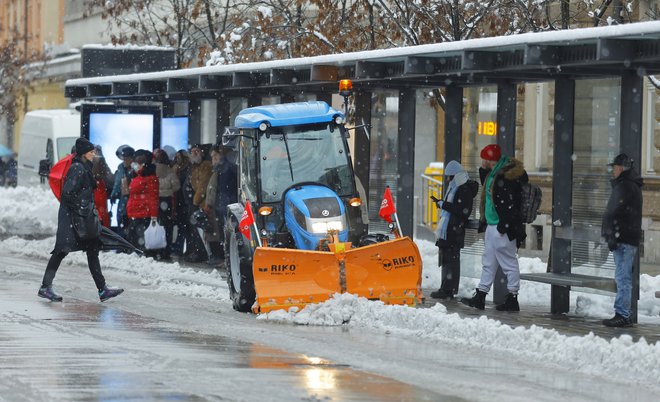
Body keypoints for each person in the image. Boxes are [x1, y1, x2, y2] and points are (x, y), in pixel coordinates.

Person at [38, 138, 124, 302]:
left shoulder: (84, 167)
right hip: (72, 218)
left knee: (92, 250)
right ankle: (45, 287)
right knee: (61, 250)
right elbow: (67, 194)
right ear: (84, 153)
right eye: (91, 152)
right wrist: (82, 207)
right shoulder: (77, 168)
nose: (94, 154)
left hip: (82, 218)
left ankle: (102, 289)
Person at [461, 144, 527, 311]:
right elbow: (489, 188)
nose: (482, 160)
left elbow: (509, 202)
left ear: (490, 159)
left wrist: (504, 226)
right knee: (489, 262)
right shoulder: (495, 172)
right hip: (493, 225)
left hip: (501, 227)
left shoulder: (506, 175)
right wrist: (484, 170)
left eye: (484, 158)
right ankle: (481, 295)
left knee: (509, 262)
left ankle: (513, 298)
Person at [601, 153, 643, 327]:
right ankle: (624, 313)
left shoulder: (625, 186)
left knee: (623, 277)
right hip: (625, 238)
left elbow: (614, 212)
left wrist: (612, 234)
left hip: (624, 239)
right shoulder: (629, 185)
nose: (612, 171)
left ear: (621, 168)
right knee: (623, 276)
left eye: (614, 168)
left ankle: (622, 314)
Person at [430, 160, 478, 300]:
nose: (449, 180)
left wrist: (443, 204)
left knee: (451, 261)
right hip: (451, 230)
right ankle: (446, 288)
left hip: (454, 230)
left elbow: (462, 211)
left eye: (450, 176)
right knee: (448, 260)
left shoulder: (463, 189)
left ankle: (448, 290)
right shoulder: (457, 187)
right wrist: (442, 204)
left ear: (456, 176)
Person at [205, 146, 238, 266]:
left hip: (226, 205)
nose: (213, 159)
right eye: (212, 157)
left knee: (225, 232)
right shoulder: (222, 168)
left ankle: (226, 258)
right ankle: (225, 257)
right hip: (222, 205)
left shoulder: (226, 168)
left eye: (215, 156)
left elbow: (226, 190)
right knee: (221, 232)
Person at [126, 149, 159, 256]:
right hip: (135, 212)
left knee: (140, 240)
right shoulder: (137, 176)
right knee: (135, 239)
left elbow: (153, 197)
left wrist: (154, 216)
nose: (136, 164)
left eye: (139, 162)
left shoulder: (150, 178)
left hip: (143, 213)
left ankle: (143, 255)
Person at [185, 145, 212, 263]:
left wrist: (195, 200)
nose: (194, 154)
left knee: (202, 230)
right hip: (194, 202)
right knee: (196, 230)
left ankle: (202, 253)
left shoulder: (206, 166)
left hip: (200, 203)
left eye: (196, 151)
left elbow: (203, 185)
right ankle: (197, 252)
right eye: (192, 151)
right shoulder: (194, 167)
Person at [153, 148, 180, 260]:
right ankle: (166, 250)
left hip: (156, 200)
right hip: (167, 201)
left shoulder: (153, 170)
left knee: (157, 225)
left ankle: (156, 250)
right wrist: (168, 191)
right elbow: (176, 186)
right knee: (167, 227)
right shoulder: (170, 171)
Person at [110, 145, 135, 237]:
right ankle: (123, 244)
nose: (124, 160)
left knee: (131, 222)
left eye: (126, 158)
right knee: (121, 219)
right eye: (124, 158)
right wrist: (113, 194)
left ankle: (129, 244)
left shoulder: (136, 168)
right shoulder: (121, 168)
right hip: (124, 198)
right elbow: (117, 183)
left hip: (133, 199)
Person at [172, 150, 192, 257]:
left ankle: (180, 248)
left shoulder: (187, 169)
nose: (177, 159)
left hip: (184, 202)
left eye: (179, 156)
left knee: (184, 227)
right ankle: (180, 248)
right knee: (183, 227)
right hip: (178, 201)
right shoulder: (176, 169)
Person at [92, 146, 114, 228]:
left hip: (100, 220)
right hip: (99, 221)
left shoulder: (101, 182)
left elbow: (111, 180)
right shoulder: (95, 183)